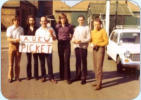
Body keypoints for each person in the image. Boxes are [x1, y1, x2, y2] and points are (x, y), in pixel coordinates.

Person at [35, 16, 57, 83]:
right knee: (42, 63)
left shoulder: (51, 29)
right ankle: (43, 77)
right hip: (41, 49)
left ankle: (51, 77)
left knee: (49, 63)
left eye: (45, 21)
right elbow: (36, 41)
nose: (43, 22)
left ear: (46, 21)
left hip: (48, 49)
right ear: (40, 22)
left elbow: (54, 38)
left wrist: (51, 34)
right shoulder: (38, 31)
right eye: (42, 21)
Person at [72, 15, 91, 85]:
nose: (81, 21)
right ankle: (78, 76)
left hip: (83, 47)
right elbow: (73, 37)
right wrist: (74, 41)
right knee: (78, 62)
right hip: (76, 47)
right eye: (79, 20)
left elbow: (89, 38)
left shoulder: (87, 28)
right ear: (78, 20)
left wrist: (81, 41)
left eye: (82, 20)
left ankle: (84, 78)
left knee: (83, 62)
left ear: (84, 20)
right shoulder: (76, 28)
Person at [91, 18, 108, 90]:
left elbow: (106, 42)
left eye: (97, 24)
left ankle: (99, 84)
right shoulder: (92, 31)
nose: (96, 26)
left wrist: (97, 44)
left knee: (99, 66)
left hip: (100, 49)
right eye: (95, 24)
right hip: (94, 49)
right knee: (95, 66)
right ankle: (97, 80)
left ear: (100, 24)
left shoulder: (103, 31)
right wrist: (90, 43)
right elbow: (91, 40)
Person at [55, 13, 74, 84]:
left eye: (64, 18)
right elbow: (55, 34)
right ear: (59, 19)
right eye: (61, 18)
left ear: (66, 19)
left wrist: (70, 38)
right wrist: (58, 39)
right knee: (61, 60)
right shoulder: (57, 26)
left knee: (66, 60)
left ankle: (67, 77)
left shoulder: (69, 26)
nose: (63, 19)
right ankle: (61, 75)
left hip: (67, 44)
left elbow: (72, 33)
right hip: (60, 43)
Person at [6, 16, 24, 83]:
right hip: (12, 46)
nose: (17, 22)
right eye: (15, 20)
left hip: (19, 46)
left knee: (17, 63)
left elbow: (22, 37)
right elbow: (8, 39)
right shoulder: (9, 28)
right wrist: (15, 40)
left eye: (18, 20)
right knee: (11, 64)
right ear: (13, 21)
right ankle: (10, 77)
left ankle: (17, 77)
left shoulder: (21, 29)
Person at [24, 15, 38, 80]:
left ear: (34, 21)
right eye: (30, 20)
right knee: (29, 61)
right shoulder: (25, 28)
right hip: (28, 47)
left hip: (35, 47)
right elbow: (23, 38)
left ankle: (36, 75)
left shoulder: (37, 28)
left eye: (32, 20)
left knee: (35, 61)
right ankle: (29, 75)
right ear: (28, 21)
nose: (31, 21)